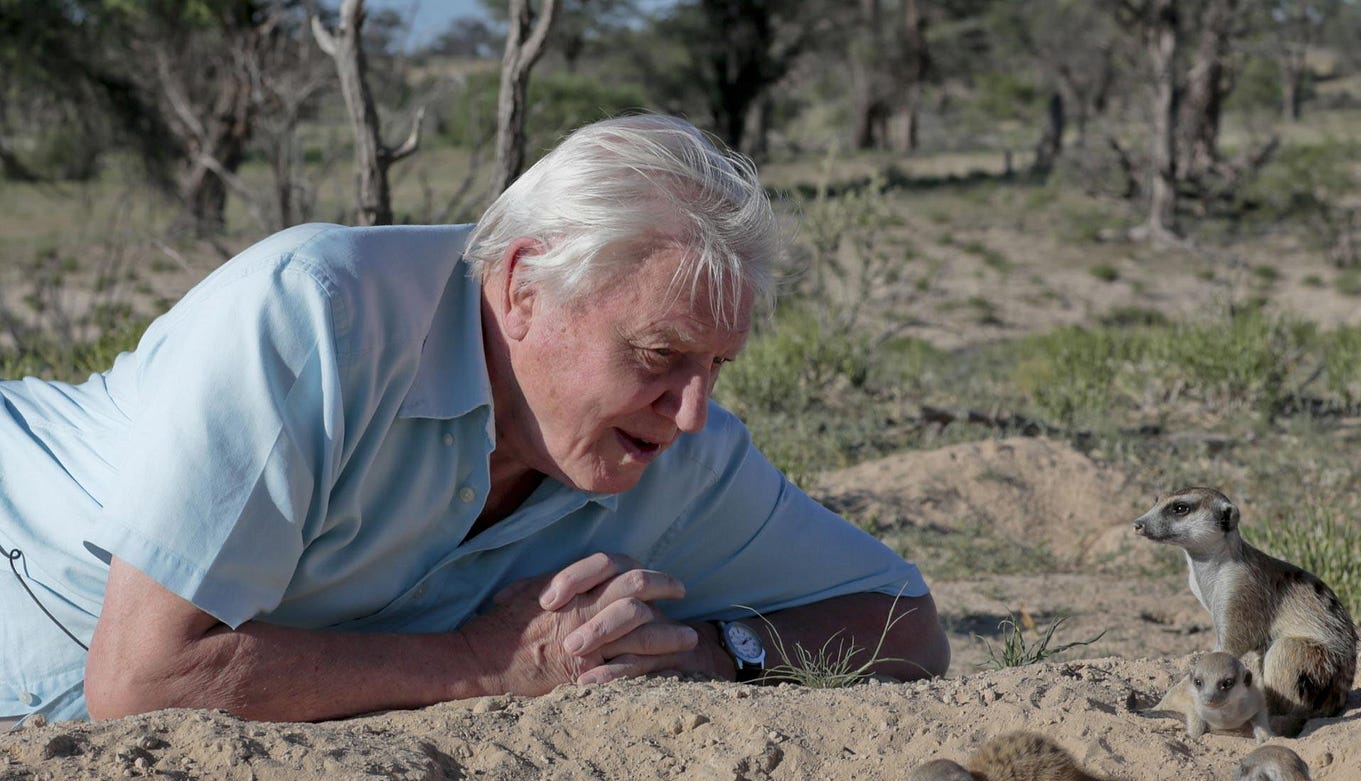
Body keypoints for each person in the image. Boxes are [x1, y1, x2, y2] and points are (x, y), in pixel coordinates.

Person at [0, 114, 948, 728]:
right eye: (659, 359)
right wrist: (478, 662)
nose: (693, 411)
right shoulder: (316, 316)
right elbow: (141, 688)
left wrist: (715, 652)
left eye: (715, 368)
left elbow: (906, 626)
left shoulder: (674, 452)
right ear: (525, 287)